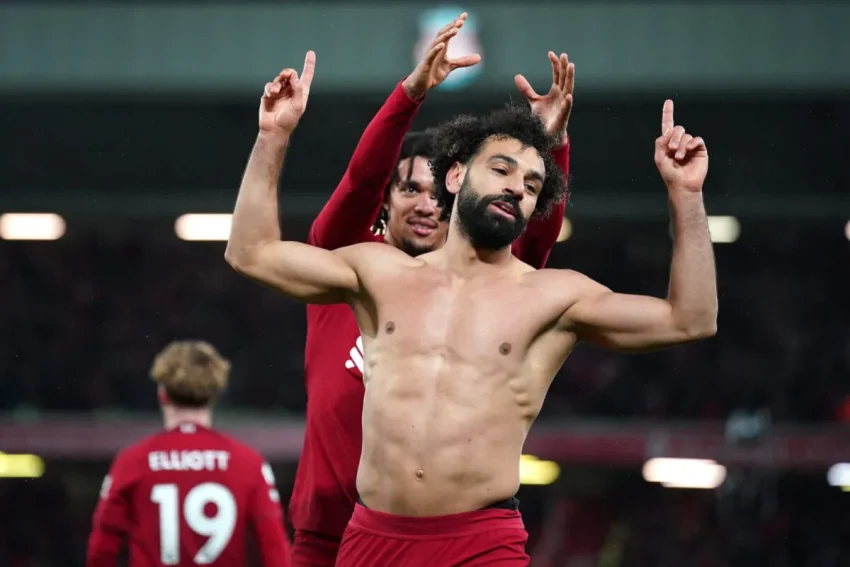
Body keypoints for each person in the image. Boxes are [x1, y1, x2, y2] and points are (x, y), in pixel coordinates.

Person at [226, 51, 716, 566]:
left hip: (480, 547)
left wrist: (686, 196)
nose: (516, 187)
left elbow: (691, 319)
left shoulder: (555, 296)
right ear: (455, 176)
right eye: (501, 169)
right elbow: (249, 253)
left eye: (531, 186)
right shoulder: (379, 273)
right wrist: (272, 135)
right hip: (370, 541)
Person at [289, 13, 574, 565]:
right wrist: (410, 93)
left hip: (434, 536)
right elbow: (359, 181)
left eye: (436, 195)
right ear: (383, 201)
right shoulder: (343, 268)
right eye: (408, 189)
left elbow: (536, 234)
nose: (424, 205)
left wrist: (550, 143)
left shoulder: (491, 286)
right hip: (327, 536)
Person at [86, 341, 291, 567]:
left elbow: (101, 551)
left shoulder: (133, 461)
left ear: (162, 394)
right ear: (214, 395)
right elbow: (275, 551)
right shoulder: (248, 463)